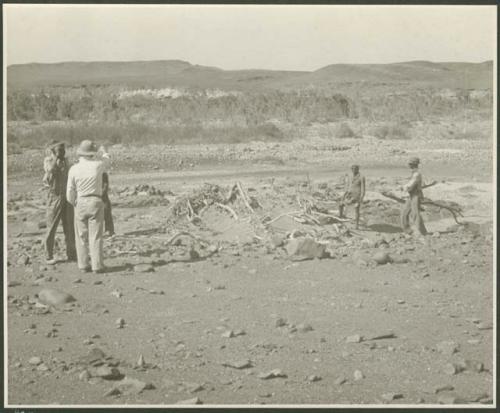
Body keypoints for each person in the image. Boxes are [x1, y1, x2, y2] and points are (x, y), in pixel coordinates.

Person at [66, 140, 111, 273]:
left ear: (80, 154)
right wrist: (105, 151)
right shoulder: (98, 165)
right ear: (92, 153)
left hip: (80, 201)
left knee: (81, 236)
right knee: (96, 236)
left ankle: (83, 265)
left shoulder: (73, 169)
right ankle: (97, 265)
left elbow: (69, 191)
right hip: (95, 201)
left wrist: (74, 202)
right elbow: (107, 162)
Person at [42, 141, 76, 265]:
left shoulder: (66, 161)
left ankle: (72, 253)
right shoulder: (48, 161)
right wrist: (55, 158)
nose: (63, 152)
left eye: (63, 149)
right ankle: (48, 255)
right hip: (54, 197)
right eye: (60, 150)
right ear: (53, 151)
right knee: (51, 227)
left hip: (66, 197)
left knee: (69, 227)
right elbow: (50, 171)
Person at [400, 157, 435, 235]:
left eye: (409, 164)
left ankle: (423, 233)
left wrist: (403, 187)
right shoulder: (414, 173)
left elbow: (411, 185)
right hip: (411, 196)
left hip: (416, 196)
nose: (408, 165)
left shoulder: (417, 174)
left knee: (415, 214)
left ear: (412, 165)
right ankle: (408, 231)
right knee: (404, 213)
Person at [339, 164, 365, 229]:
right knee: (340, 204)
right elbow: (348, 187)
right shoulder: (350, 177)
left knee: (356, 209)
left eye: (355, 169)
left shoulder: (361, 177)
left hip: (357, 196)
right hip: (349, 195)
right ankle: (340, 220)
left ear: (358, 169)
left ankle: (356, 225)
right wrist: (344, 195)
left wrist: (360, 199)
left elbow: (363, 189)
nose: (354, 170)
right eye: (352, 169)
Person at [102, 172, 115, 237]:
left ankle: (109, 230)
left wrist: (101, 193)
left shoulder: (103, 173)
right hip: (96, 195)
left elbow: (105, 185)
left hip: (103, 197)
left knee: (107, 212)